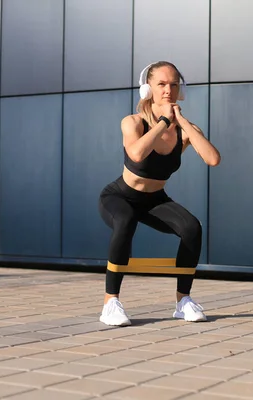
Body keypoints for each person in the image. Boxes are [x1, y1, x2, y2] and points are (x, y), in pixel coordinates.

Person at [98, 61, 221, 326]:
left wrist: (183, 123)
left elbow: (212, 159)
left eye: (174, 84)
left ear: (181, 91)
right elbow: (137, 154)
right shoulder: (133, 122)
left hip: (155, 200)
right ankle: (111, 303)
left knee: (192, 227)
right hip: (119, 196)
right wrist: (164, 120)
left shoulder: (184, 131)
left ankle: (183, 301)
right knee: (126, 219)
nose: (168, 90)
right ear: (147, 89)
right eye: (161, 84)